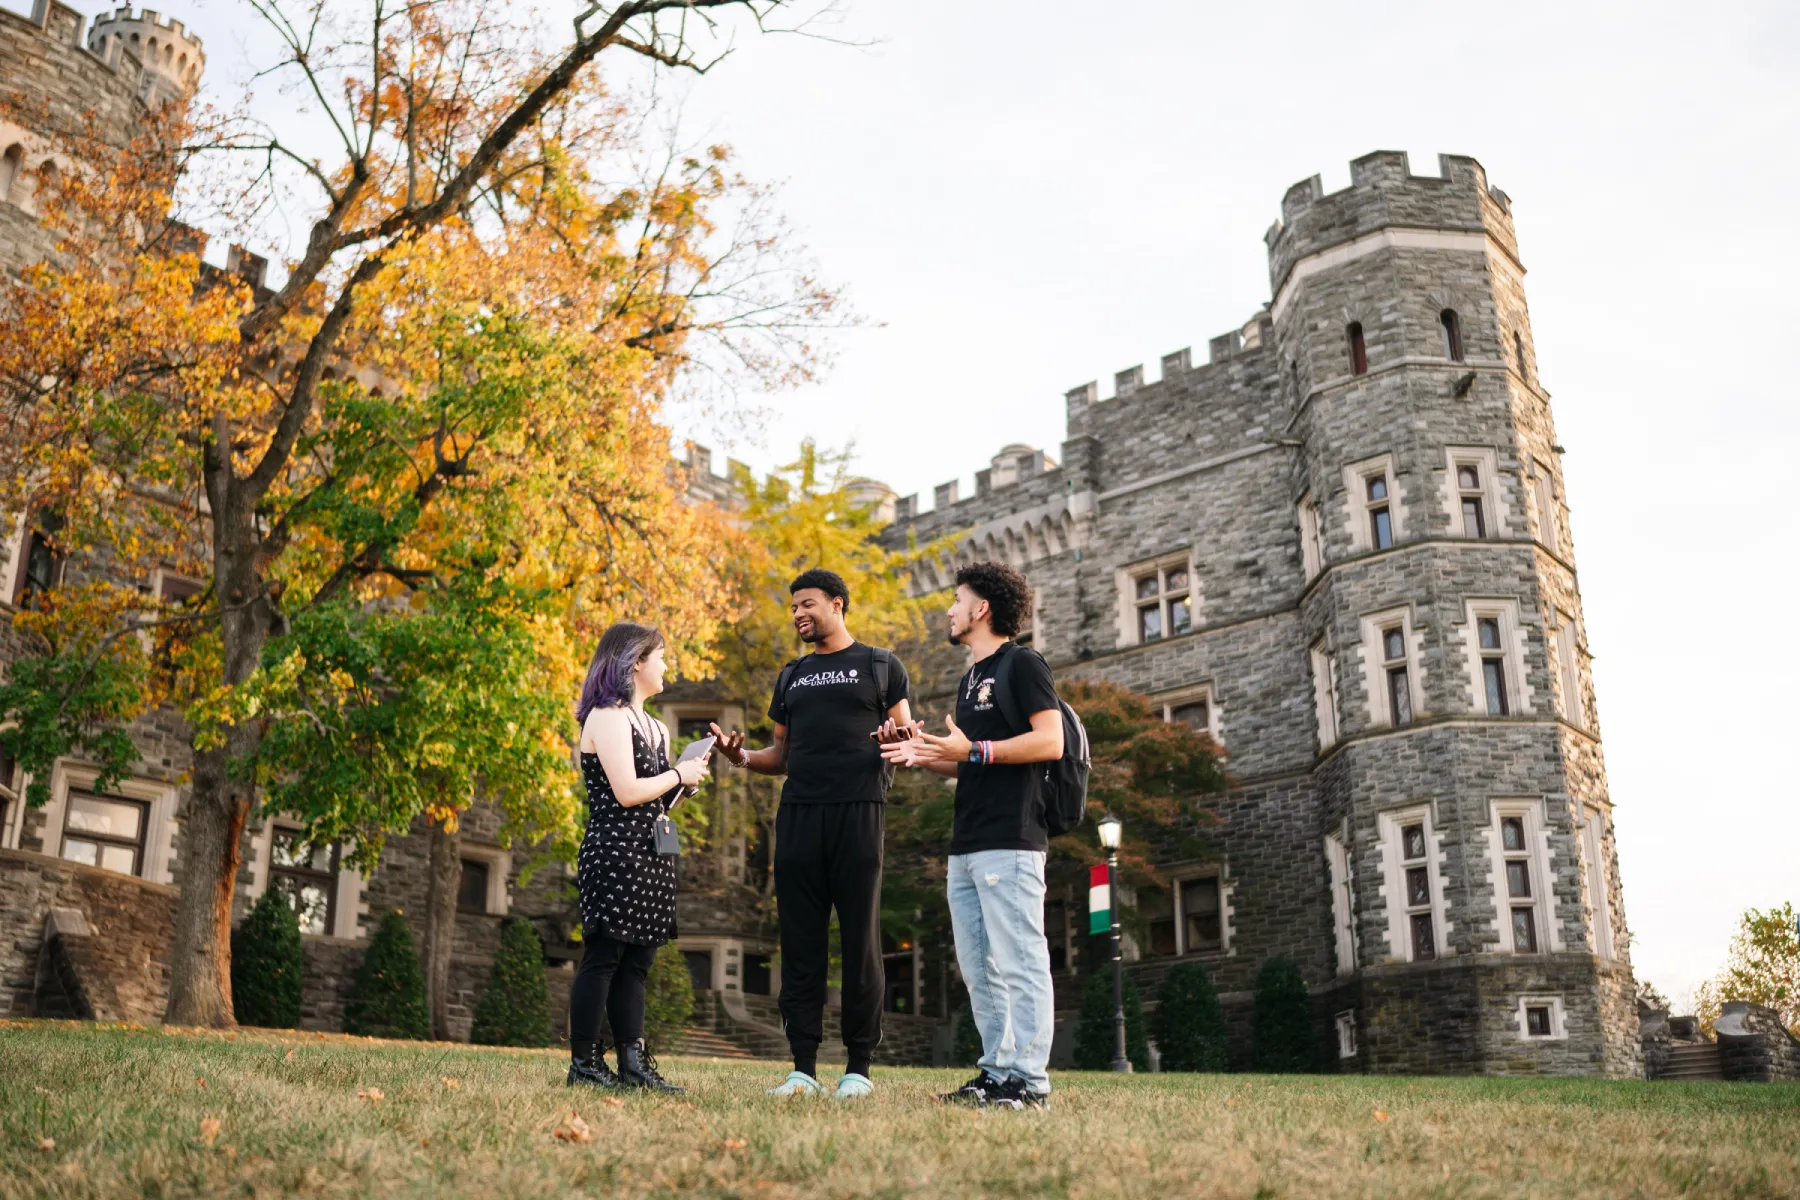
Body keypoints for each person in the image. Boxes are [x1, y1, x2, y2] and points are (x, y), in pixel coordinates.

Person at [710, 568, 913, 1101]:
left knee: (860, 940)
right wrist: (743, 758)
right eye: (793, 608)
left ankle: (858, 1070)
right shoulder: (791, 676)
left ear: (837, 604)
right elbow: (781, 755)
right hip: (799, 814)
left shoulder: (881, 665)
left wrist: (898, 738)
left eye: (807, 604)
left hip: (859, 812)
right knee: (800, 942)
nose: (799, 614)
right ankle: (802, 1068)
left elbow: (908, 740)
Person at [882, 560, 1063, 1110]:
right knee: (980, 967)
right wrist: (925, 750)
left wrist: (973, 750)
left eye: (957, 600)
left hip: (1011, 841)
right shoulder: (970, 679)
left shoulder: (1022, 664)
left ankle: (1030, 1082)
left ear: (981, 609)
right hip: (967, 844)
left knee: (1020, 960)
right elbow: (970, 763)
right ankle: (997, 1072)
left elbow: (1049, 741)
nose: (949, 609)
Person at [567, 621, 707, 1094]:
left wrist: (683, 783)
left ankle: (633, 1065)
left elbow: (656, 804)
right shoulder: (605, 718)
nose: (668, 665)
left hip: (652, 854)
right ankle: (584, 1063)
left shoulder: (657, 728)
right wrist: (677, 774)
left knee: (638, 965)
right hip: (614, 851)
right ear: (635, 662)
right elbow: (626, 793)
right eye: (661, 656)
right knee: (604, 956)